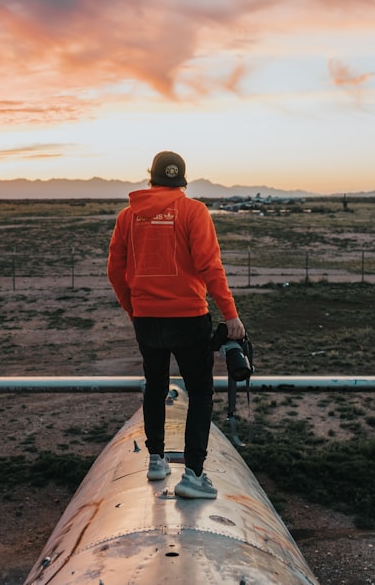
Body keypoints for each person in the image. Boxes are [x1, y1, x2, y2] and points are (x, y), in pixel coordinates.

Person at [107, 151, 245, 500]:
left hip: (147, 319)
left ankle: (155, 460)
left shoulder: (128, 217)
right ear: (182, 181)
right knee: (199, 392)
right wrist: (230, 315)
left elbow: (114, 271)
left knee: (155, 386)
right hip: (189, 317)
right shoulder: (193, 211)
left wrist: (133, 309)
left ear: (150, 177)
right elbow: (210, 267)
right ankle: (194, 476)